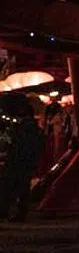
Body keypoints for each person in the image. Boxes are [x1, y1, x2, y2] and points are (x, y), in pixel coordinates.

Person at [0, 93, 41, 222]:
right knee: (18, 186)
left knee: (16, 186)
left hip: (21, 159)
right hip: (22, 159)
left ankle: (15, 211)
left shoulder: (27, 126)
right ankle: (13, 211)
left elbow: (24, 144)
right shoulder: (26, 125)